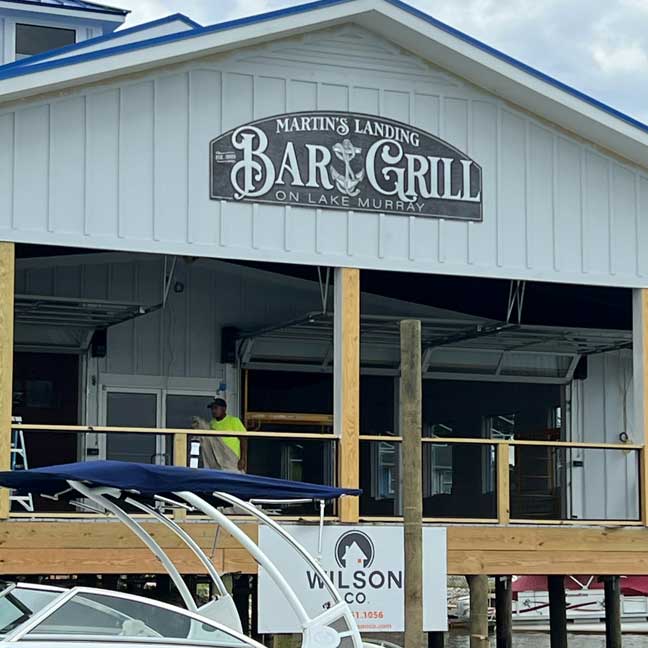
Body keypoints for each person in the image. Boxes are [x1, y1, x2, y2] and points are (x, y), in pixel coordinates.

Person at [191, 397, 246, 472]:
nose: (213, 411)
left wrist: (243, 458)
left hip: (231, 458)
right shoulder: (212, 423)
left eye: (216, 408)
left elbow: (243, 439)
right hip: (217, 460)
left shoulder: (234, 421)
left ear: (224, 409)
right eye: (212, 409)